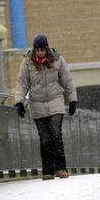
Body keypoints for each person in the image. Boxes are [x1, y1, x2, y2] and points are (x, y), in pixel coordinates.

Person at [14, 34, 77, 180]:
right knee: (44, 138)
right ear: (34, 49)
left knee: (55, 132)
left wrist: (73, 100)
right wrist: (19, 101)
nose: (40, 52)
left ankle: (61, 168)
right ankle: (48, 170)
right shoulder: (27, 63)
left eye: (43, 49)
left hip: (55, 100)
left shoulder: (57, 60)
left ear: (47, 48)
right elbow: (22, 84)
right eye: (38, 49)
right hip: (37, 104)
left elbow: (68, 81)